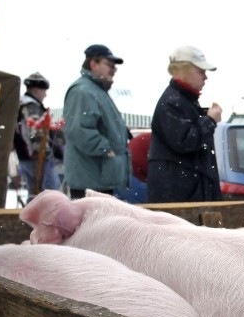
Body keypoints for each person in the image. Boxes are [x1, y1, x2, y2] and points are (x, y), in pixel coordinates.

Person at [147, 46, 223, 203]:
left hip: (182, 189)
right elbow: (185, 142)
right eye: (201, 71)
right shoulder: (173, 101)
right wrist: (209, 120)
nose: (205, 77)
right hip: (178, 192)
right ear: (182, 70)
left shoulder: (182, 100)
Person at [62, 44, 131, 199]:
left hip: (99, 178)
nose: (114, 70)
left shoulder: (96, 91)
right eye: (109, 65)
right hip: (91, 181)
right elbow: (80, 131)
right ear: (93, 64)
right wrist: (106, 150)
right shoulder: (83, 91)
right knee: (92, 223)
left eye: (115, 67)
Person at [13, 72, 64, 200]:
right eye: (44, 90)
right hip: (36, 157)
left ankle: (31, 218)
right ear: (36, 90)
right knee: (50, 195)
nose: (45, 94)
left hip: (26, 156)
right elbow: (35, 132)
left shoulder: (22, 105)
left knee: (35, 193)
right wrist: (45, 152)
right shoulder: (31, 107)